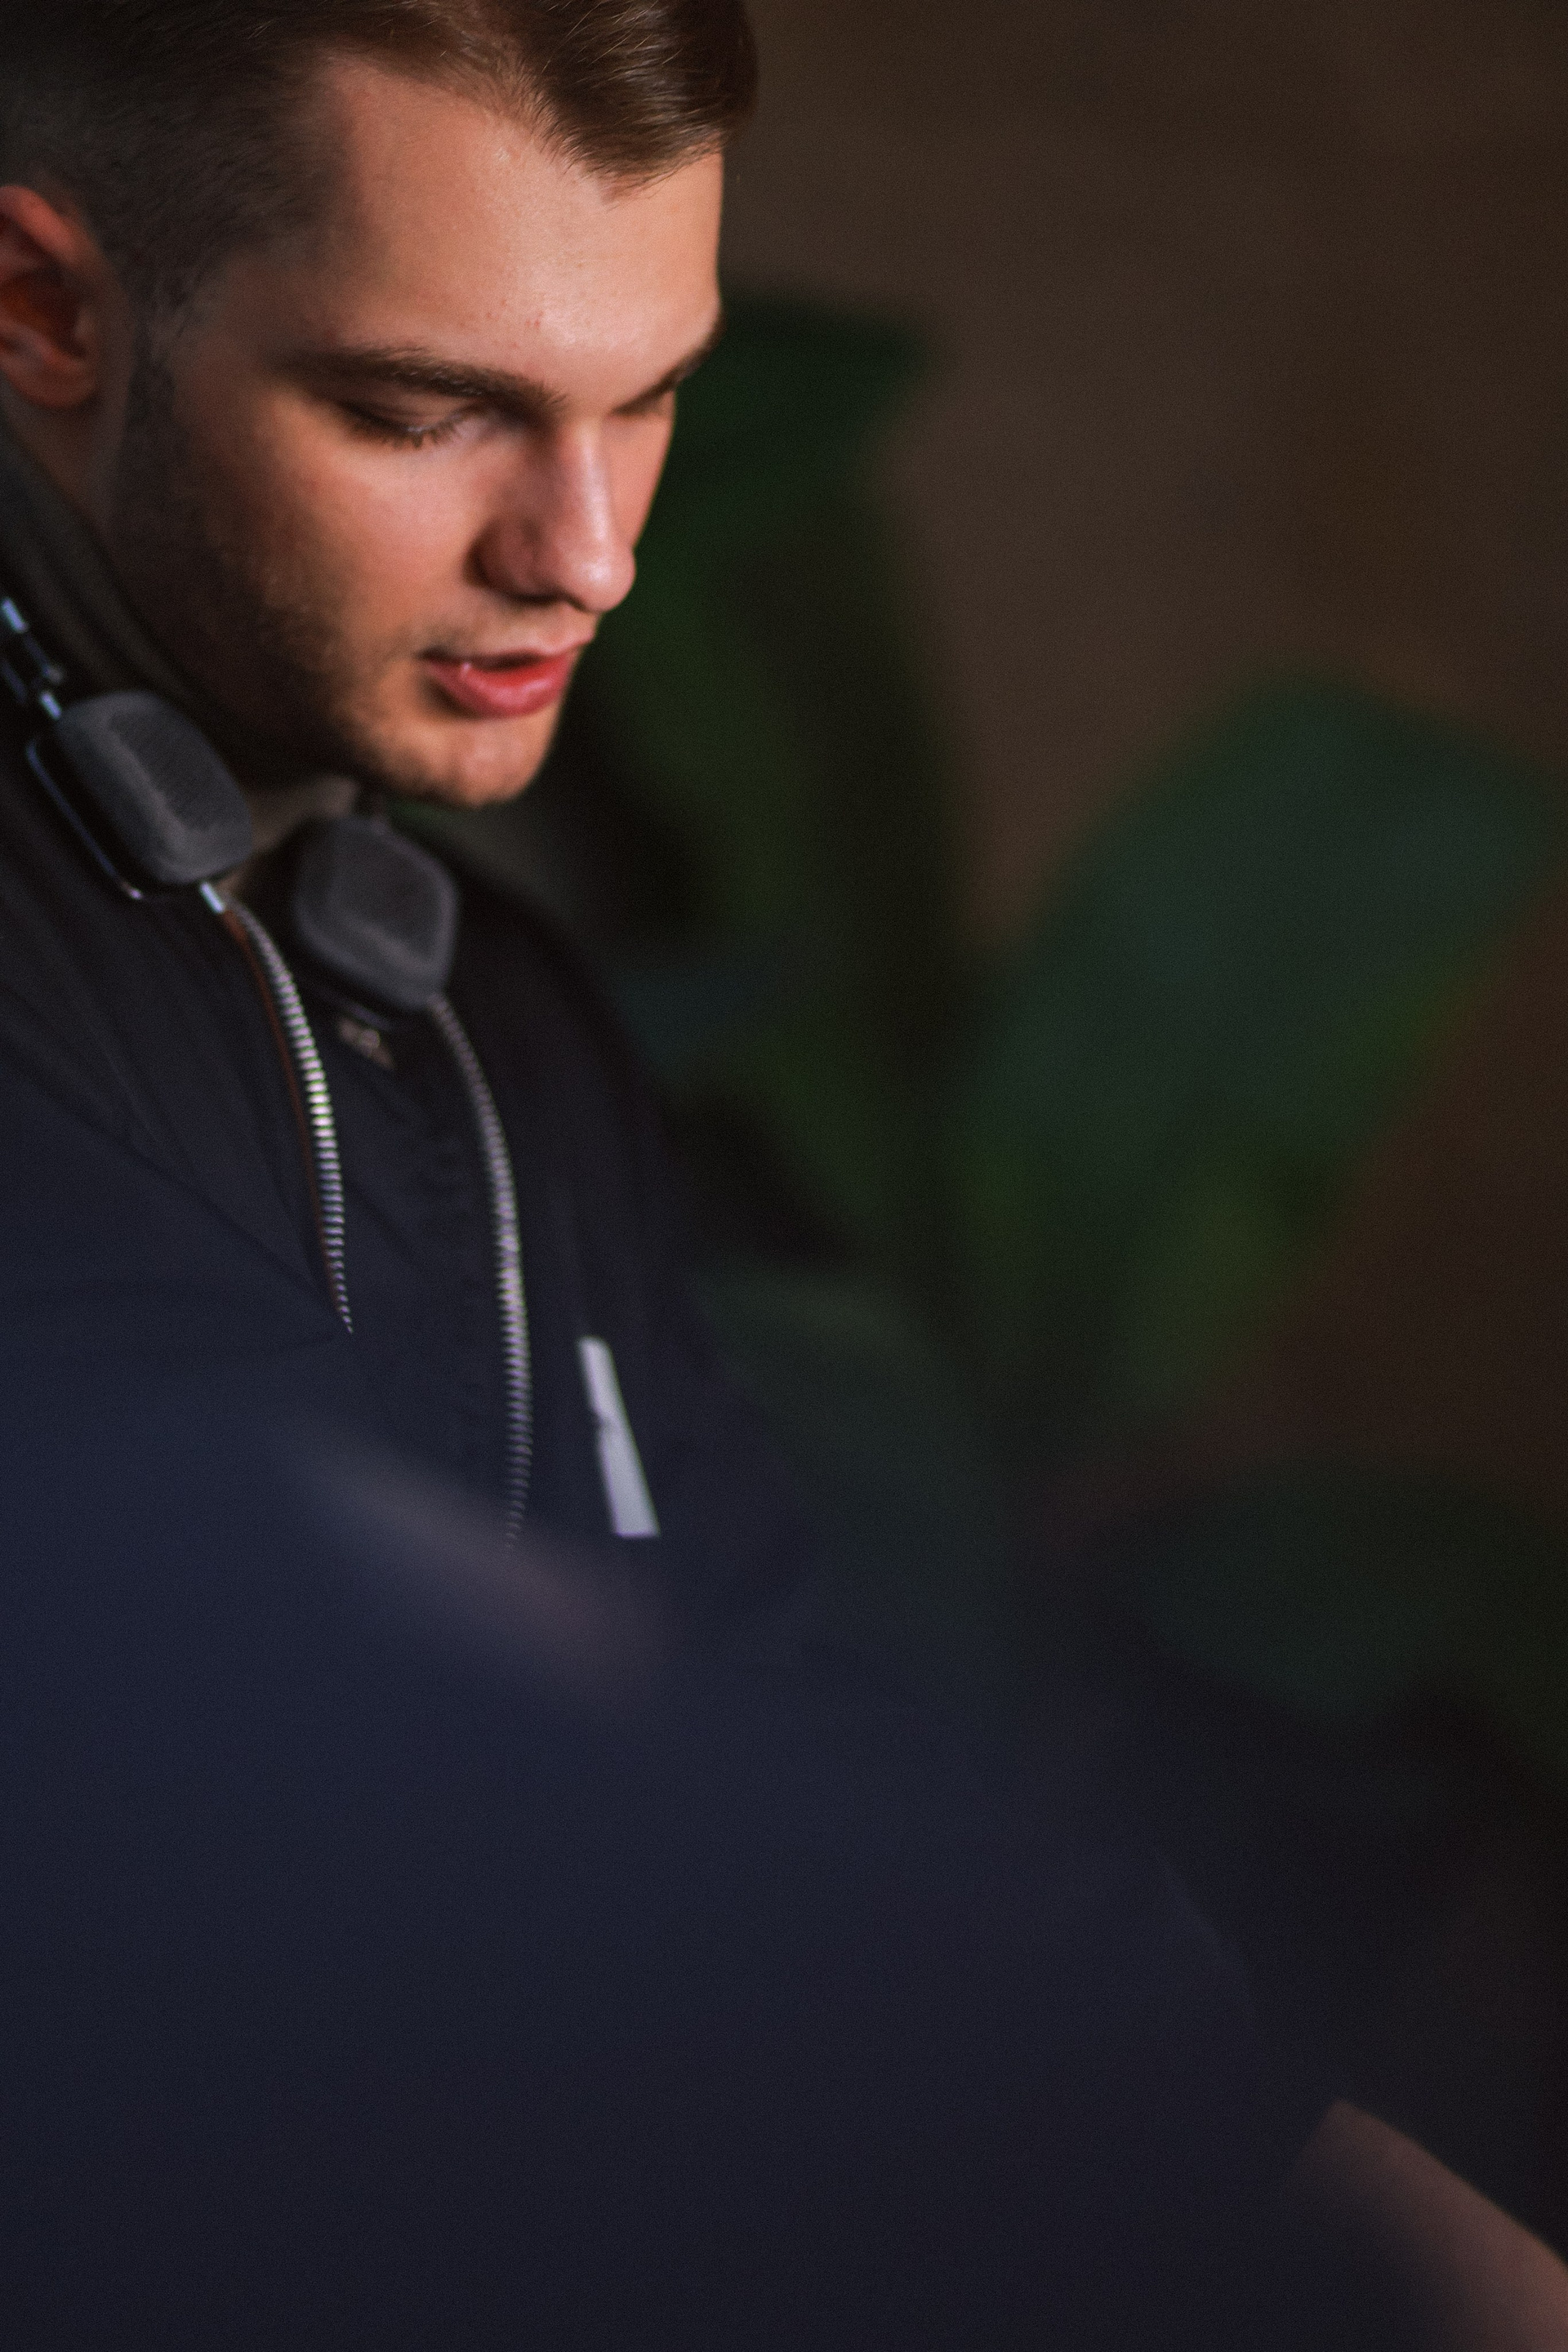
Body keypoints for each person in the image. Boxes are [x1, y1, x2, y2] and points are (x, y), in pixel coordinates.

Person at [0, 2, 1563, 2344]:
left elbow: (787, 1730)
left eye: (650, 398)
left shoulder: (499, 1029)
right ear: (45, 311)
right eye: (426, 412)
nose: (589, 553)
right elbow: (318, 1682)